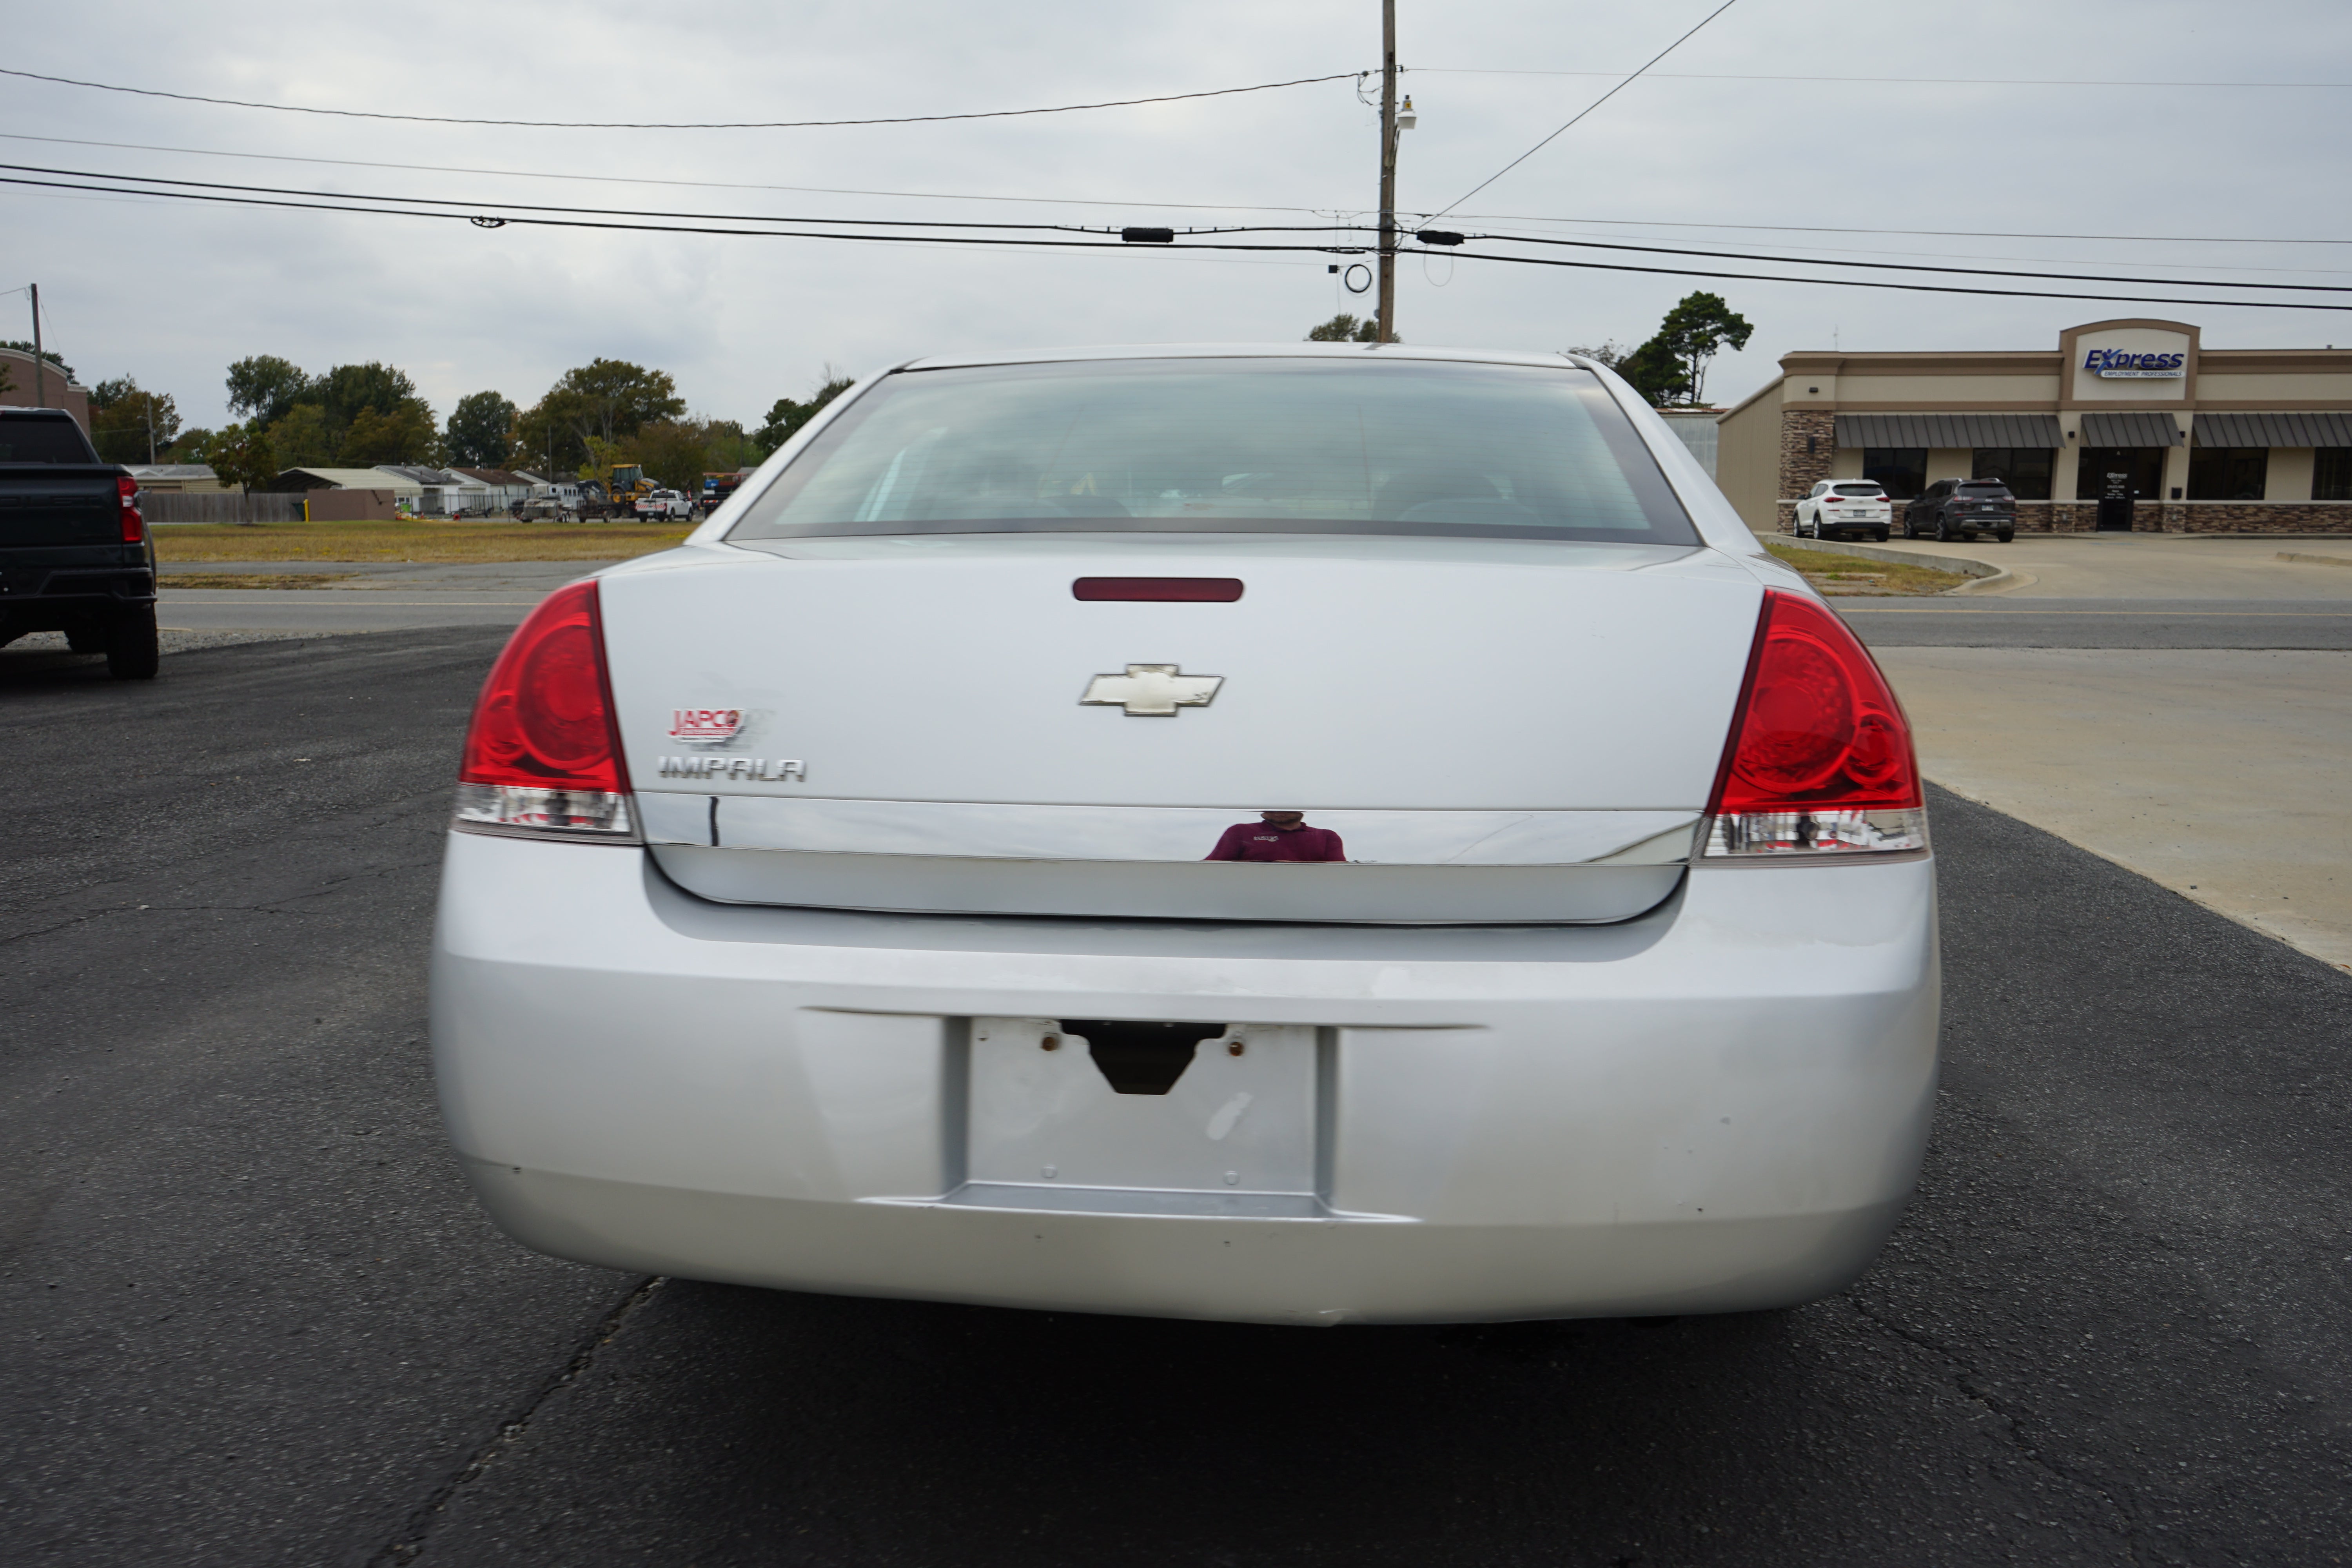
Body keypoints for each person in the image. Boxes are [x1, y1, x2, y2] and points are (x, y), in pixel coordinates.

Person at [1204, 810, 1346, 863]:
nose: (1278, 811)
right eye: (1271, 807)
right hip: (1249, 898)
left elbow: (1339, 872)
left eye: (1287, 807)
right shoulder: (1240, 831)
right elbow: (1213, 867)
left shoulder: (1327, 836)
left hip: (1311, 900)